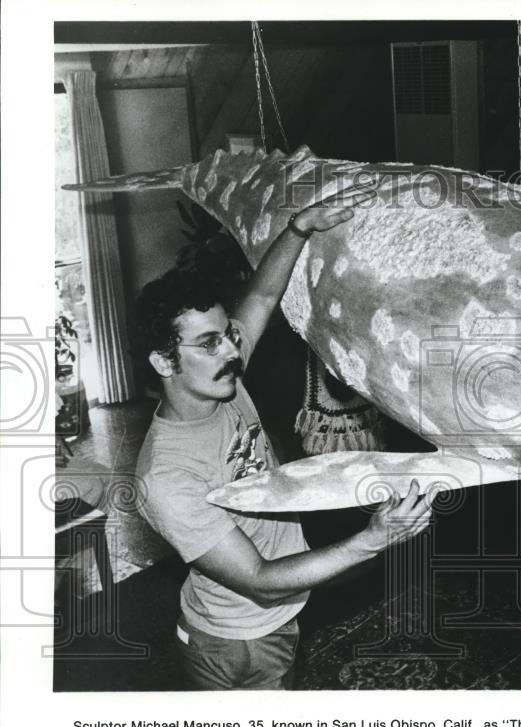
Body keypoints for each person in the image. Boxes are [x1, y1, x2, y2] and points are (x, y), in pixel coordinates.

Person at [132, 188, 434, 690]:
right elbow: (260, 580)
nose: (232, 350)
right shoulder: (165, 476)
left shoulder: (219, 380)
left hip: (274, 620)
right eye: (210, 343)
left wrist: (299, 227)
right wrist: (373, 539)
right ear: (164, 363)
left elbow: (262, 297)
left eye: (228, 333)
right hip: (234, 640)